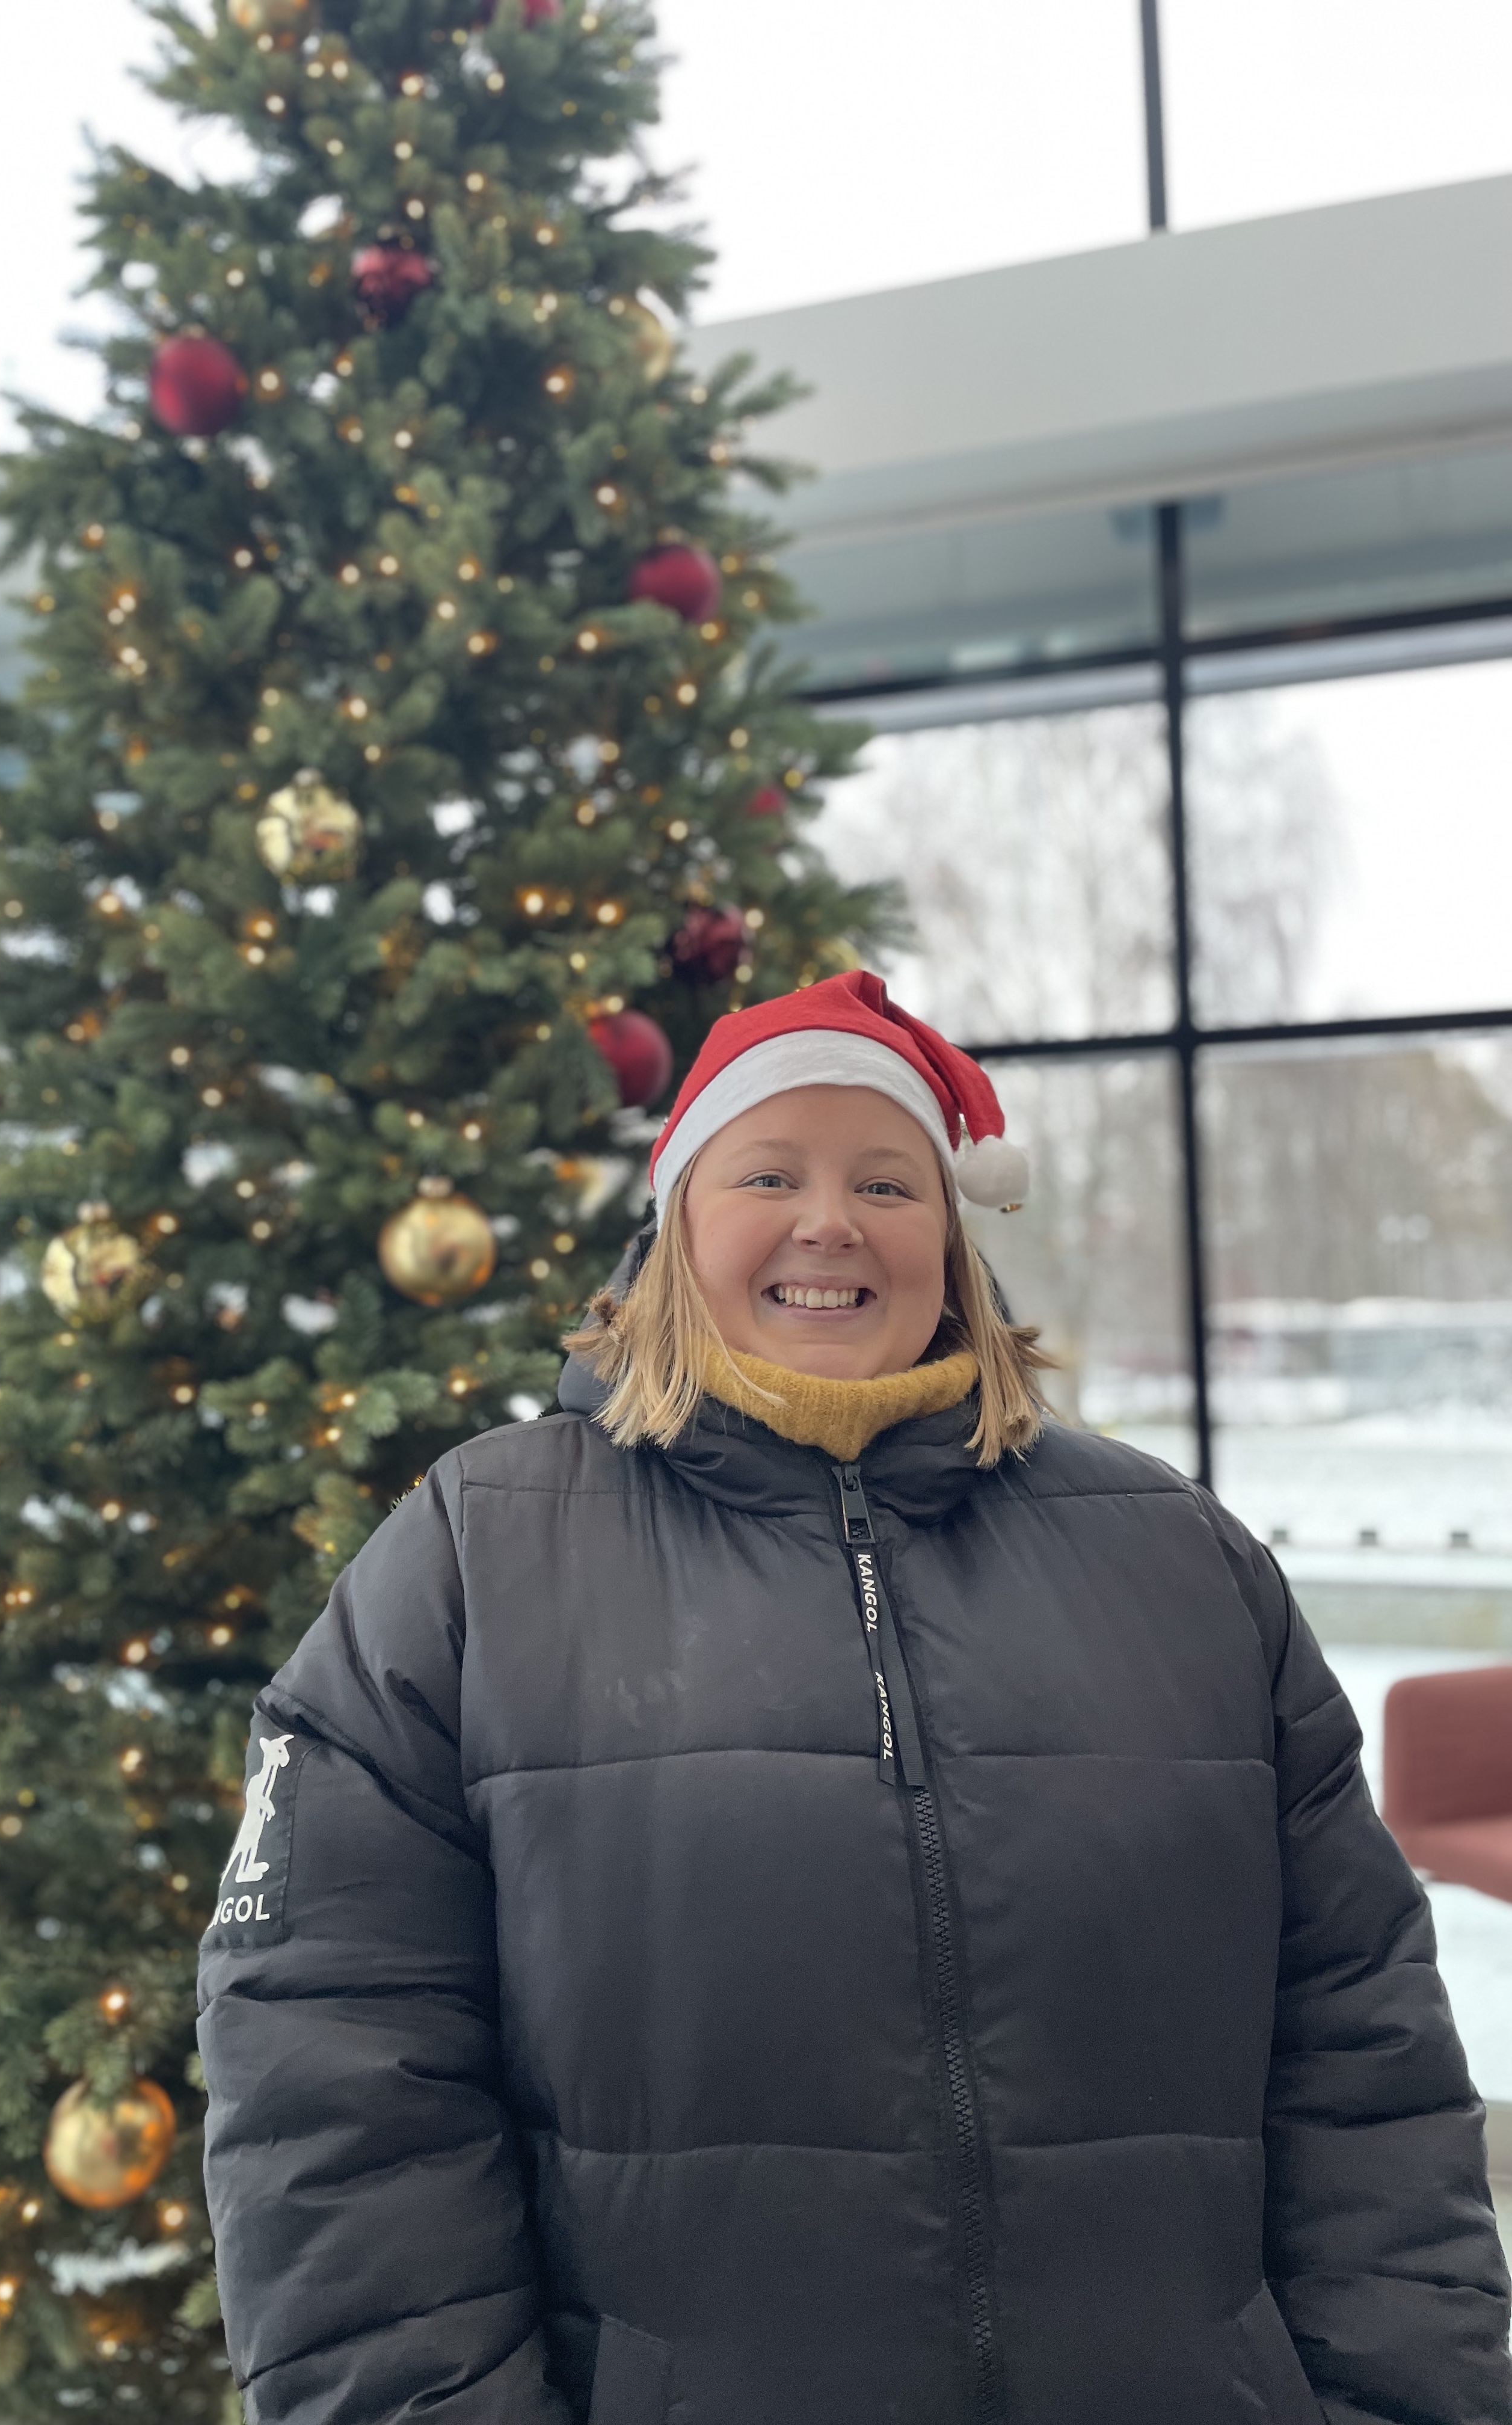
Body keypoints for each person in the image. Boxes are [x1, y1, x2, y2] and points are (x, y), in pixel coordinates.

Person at [197, 970, 1511, 2425]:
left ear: (949, 1235)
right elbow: (333, 2075)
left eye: (887, 1182)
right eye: (770, 1174)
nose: (830, 1222)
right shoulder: (469, 1556)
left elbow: (1360, 2037)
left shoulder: (1179, 1556)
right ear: (676, 1227)